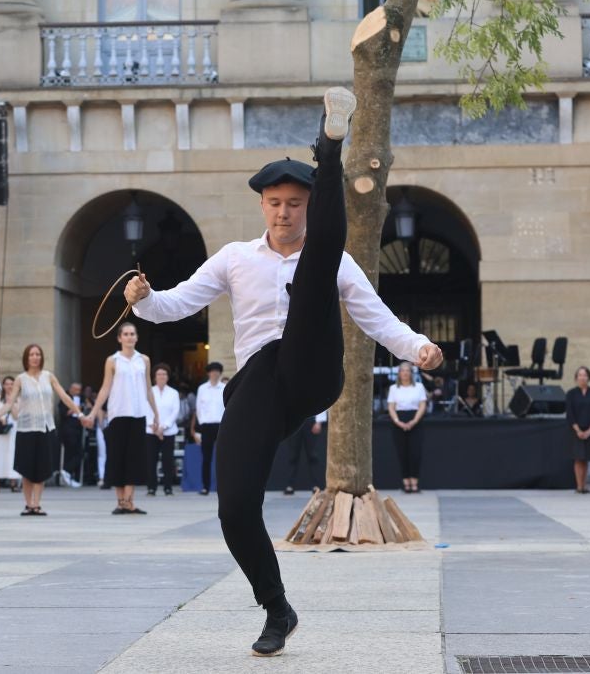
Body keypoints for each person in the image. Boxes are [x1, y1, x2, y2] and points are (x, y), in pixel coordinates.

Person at [126, 88, 442, 657]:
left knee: (318, 264)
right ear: (263, 205)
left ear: (307, 206)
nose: (283, 212)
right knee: (235, 505)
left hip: (316, 371)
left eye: (296, 203)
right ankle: (277, 606)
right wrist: (143, 299)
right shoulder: (234, 258)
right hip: (261, 385)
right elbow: (175, 304)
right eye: (275, 202)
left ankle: (330, 147)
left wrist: (416, 347)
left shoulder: (331, 256)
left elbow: (375, 317)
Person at [81, 322, 161, 515]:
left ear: (136, 337)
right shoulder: (113, 361)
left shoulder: (144, 360)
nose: (129, 337)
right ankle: (120, 501)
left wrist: (156, 413)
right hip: (118, 414)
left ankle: (129, 501)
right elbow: (105, 388)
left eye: (132, 334)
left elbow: (148, 388)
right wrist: (93, 413)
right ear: (119, 338)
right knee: (117, 457)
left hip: (138, 414)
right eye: (125, 334)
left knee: (135, 458)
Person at [0, 344, 81, 516]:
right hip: (27, 428)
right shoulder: (21, 379)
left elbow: (64, 396)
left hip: (46, 427)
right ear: (26, 358)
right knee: (27, 468)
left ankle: (37, 503)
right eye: (31, 354)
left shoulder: (48, 376)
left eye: (38, 354)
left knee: (42, 468)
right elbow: (10, 402)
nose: (35, 357)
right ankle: (28, 504)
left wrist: (79, 413)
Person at [387, 362, 428, 493]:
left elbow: (422, 405)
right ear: (399, 373)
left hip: (415, 419)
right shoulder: (394, 388)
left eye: (407, 370)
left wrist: (414, 421)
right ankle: (406, 482)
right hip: (399, 421)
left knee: (415, 453)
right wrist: (397, 421)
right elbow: (391, 407)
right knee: (402, 453)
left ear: (411, 373)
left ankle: (414, 482)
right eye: (402, 371)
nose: (405, 373)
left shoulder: (419, 387)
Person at [191, 361, 225, 496]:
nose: (215, 374)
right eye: (212, 371)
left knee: (223, 458)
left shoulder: (224, 387)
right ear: (208, 373)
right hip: (206, 425)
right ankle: (205, 486)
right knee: (206, 457)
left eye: (217, 371)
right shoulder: (202, 389)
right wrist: (202, 423)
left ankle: (222, 487)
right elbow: (199, 408)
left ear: (220, 373)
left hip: (221, 425)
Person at [146, 362, 180, 497]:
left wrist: (163, 427)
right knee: (151, 460)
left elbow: (175, 412)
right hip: (151, 431)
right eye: (159, 374)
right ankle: (151, 488)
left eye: (164, 374)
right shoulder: (149, 391)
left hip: (168, 431)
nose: (161, 376)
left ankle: (168, 487)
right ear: (154, 377)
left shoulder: (173, 393)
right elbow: (146, 409)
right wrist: (153, 425)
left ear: (168, 377)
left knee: (168, 460)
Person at [565, 366, 590, 494]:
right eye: (580, 375)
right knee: (578, 458)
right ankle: (579, 486)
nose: (582, 377)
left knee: (586, 458)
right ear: (576, 378)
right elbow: (570, 414)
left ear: (588, 377)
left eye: (585, 375)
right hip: (576, 430)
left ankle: (584, 485)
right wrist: (578, 430)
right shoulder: (571, 393)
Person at [282, 410, 327, 495]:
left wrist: (319, 421)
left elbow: (320, 399)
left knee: (313, 455)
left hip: (311, 420)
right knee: (293, 455)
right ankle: (289, 485)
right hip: (295, 419)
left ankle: (316, 485)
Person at [58, 381, 85, 487]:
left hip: (78, 428)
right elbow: (62, 413)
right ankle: (66, 471)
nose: (77, 392)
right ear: (70, 389)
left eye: (79, 390)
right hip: (68, 429)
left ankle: (68, 472)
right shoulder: (65, 398)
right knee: (71, 452)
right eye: (75, 389)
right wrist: (75, 409)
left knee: (79, 452)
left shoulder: (82, 398)